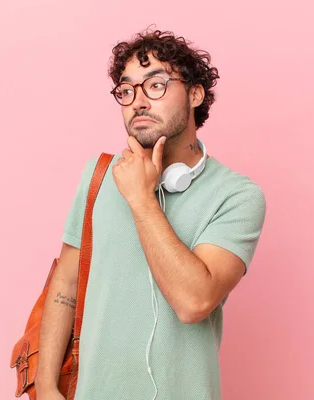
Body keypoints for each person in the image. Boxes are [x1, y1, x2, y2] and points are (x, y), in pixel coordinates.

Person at [34, 28, 267, 400]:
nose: (138, 101)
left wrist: (142, 200)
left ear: (195, 93)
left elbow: (194, 301)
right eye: (127, 91)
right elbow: (65, 286)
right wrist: (47, 388)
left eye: (155, 85)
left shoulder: (237, 196)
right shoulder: (98, 176)